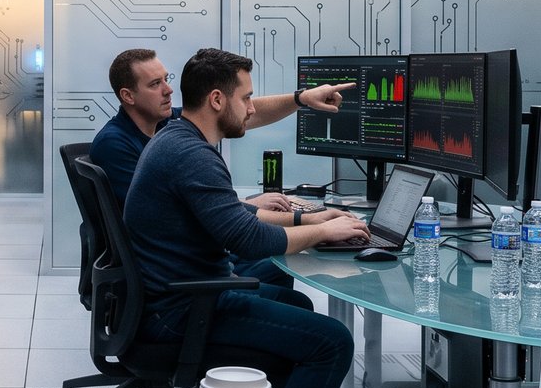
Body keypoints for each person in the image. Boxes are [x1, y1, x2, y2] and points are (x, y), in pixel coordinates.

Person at [123, 48, 368, 388]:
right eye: (246, 98)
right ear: (217, 100)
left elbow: (230, 217)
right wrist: (323, 232)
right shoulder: (192, 155)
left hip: (179, 296)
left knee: (297, 307)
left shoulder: (179, 135)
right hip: (181, 311)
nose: (252, 109)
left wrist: (310, 220)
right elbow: (248, 239)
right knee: (334, 341)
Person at [92, 48, 358, 288]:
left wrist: (301, 99)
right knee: (324, 332)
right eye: (155, 83)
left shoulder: (168, 126)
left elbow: (242, 112)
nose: (168, 90)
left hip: (189, 259)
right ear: (127, 96)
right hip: (174, 273)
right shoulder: (116, 144)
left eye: (166, 79)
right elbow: (171, 212)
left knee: (279, 273)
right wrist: (315, 228)